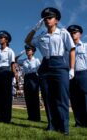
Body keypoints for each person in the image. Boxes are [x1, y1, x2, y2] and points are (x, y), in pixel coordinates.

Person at [25, 7, 75, 135]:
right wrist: (35, 28)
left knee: (61, 97)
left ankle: (64, 128)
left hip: (59, 65)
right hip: (45, 66)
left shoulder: (63, 33)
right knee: (48, 98)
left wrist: (72, 68)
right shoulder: (41, 36)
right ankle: (52, 125)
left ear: (56, 20)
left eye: (50, 17)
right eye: (45, 18)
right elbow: (27, 40)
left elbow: (72, 50)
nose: (47, 20)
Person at [0, 30, 17, 123]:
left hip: (6, 72)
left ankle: (7, 118)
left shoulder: (10, 51)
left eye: (1, 37)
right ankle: (0, 116)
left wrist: (14, 76)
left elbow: (12, 64)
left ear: (6, 40)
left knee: (6, 96)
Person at [67, 25, 87, 127]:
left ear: (80, 34)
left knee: (85, 98)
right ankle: (78, 122)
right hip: (71, 75)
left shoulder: (85, 46)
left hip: (83, 73)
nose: (72, 34)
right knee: (74, 100)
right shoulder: (66, 49)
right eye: (70, 33)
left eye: (74, 32)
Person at [16, 45, 41, 122]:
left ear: (33, 51)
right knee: (28, 98)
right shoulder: (24, 61)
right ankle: (30, 116)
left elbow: (39, 70)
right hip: (27, 78)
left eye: (29, 50)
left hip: (34, 77)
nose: (27, 51)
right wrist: (21, 53)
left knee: (35, 98)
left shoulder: (36, 60)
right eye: (26, 50)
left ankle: (36, 117)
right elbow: (15, 59)